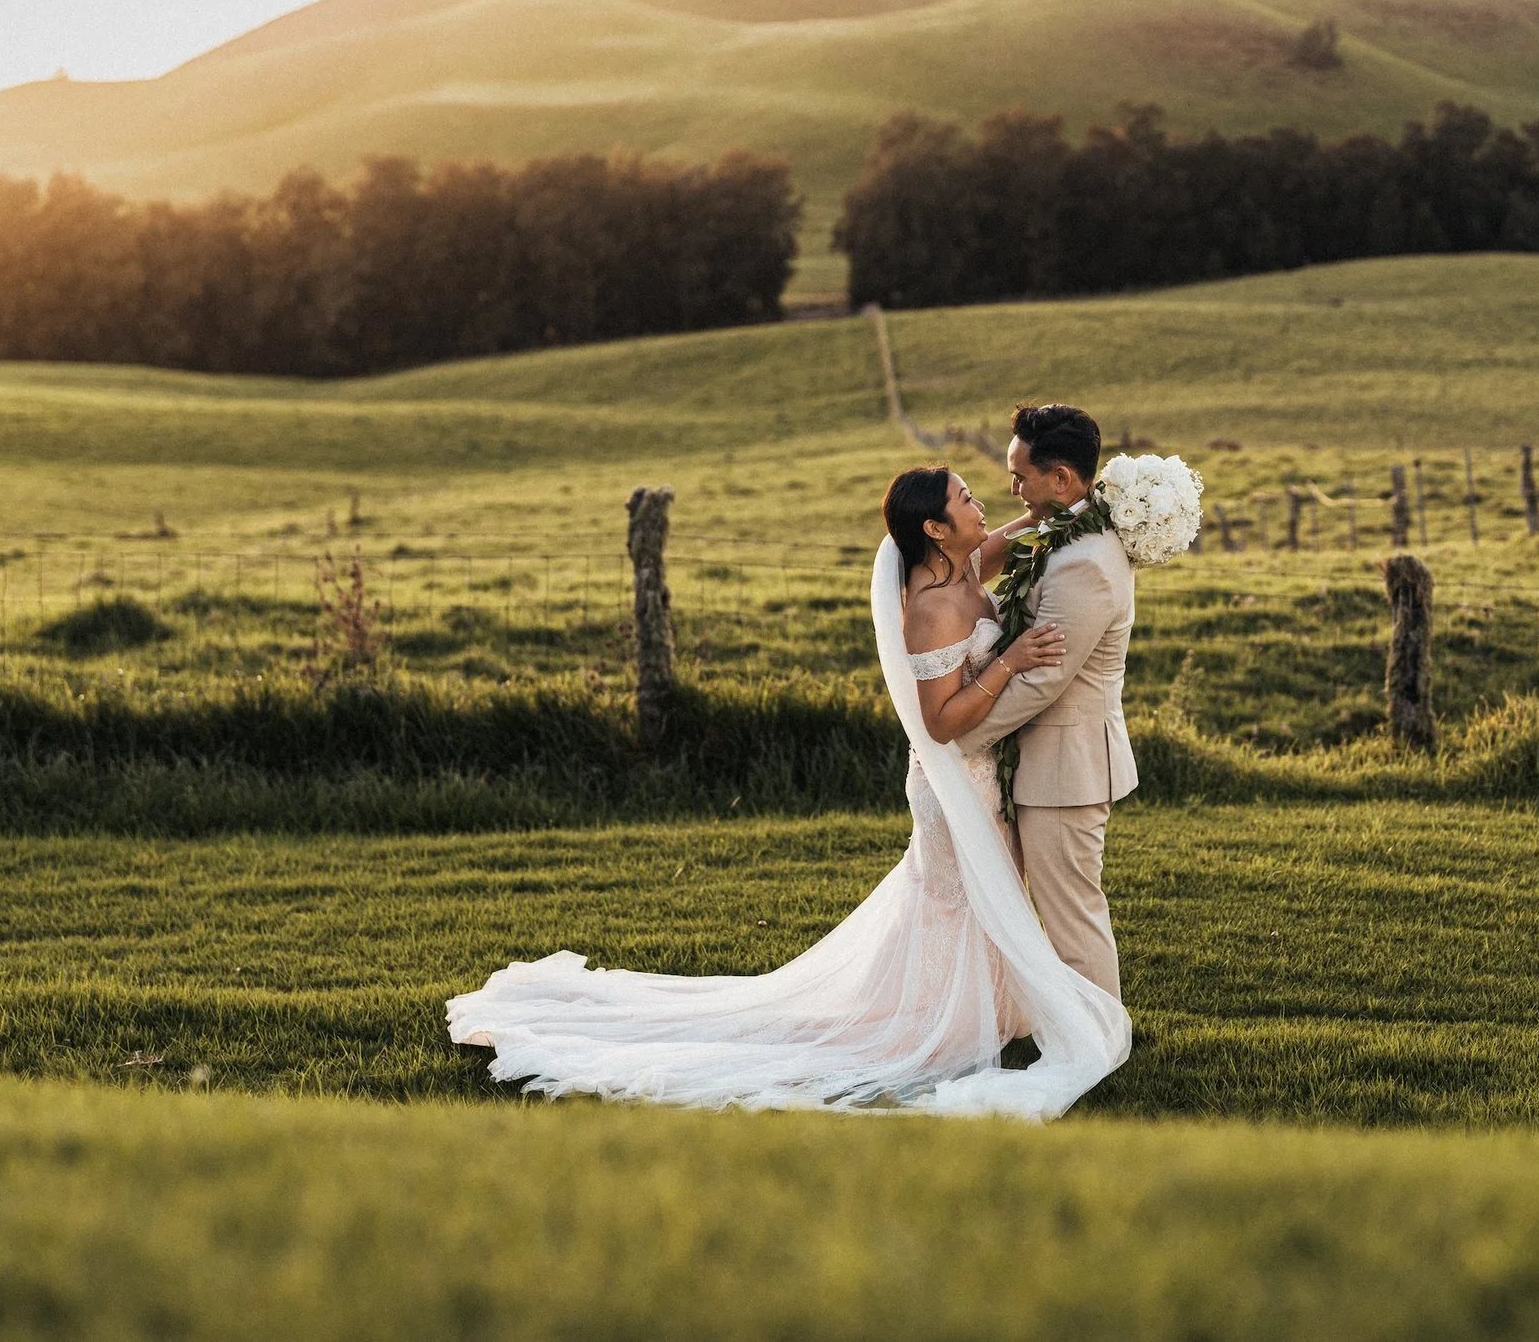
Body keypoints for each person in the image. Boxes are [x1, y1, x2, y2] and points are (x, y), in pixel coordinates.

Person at [445, 463, 1132, 1118]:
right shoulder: (928, 607)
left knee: (987, 895)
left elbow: (1023, 529)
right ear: (934, 529)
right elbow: (940, 721)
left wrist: (1079, 509)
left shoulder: (967, 562)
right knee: (956, 902)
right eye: (966, 499)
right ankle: (932, 1022)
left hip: (982, 778)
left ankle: (985, 1007)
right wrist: (1010, 658)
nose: (983, 505)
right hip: (954, 778)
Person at [967, 403, 1138, 999]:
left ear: (1062, 478)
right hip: (1052, 762)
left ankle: (1095, 1042)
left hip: (1068, 766)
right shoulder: (1066, 534)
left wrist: (966, 738)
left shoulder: (1084, 563)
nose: (1012, 488)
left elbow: (1044, 681)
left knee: (1072, 915)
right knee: (1062, 907)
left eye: (1021, 476)